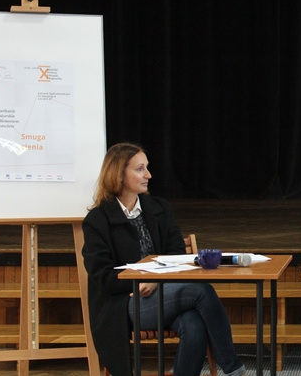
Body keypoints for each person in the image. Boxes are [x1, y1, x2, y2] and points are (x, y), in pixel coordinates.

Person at [82, 142, 247, 376]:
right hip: (123, 305)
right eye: (140, 169)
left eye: (147, 167)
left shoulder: (159, 208)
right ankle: (233, 368)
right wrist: (140, 282)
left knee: (194, 324)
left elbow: (176, 253)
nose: (148, 175)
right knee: (201, 291)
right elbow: (103, 276)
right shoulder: (97, 220)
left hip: (164, 293)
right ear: (118, 174)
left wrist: (156, 280)